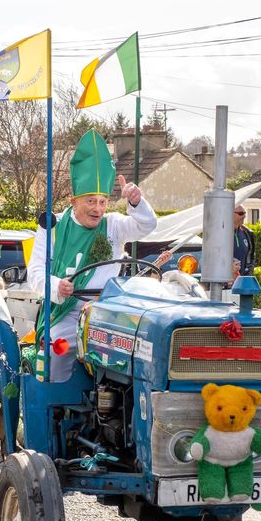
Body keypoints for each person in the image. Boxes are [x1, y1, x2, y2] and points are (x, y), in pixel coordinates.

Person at [27, 129, 157, 382]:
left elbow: (146, 226)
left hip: (108, 311)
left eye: (102, 201)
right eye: (90, 201)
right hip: (66, 311)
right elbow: (35, 273)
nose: (98, 209)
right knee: (58, 349)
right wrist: (57, 286)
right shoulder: (53, 226)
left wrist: (136, 202)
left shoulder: (114, 225)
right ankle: (56, 407)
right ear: (74, 201)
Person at [232, 204, 256, 282]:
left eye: (245, 213)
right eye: (241, 213)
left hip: (241, 284)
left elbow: (251, 258)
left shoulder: (248, 233)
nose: (244, 216)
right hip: (224, 285)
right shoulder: (219, 233)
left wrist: (248, 275)